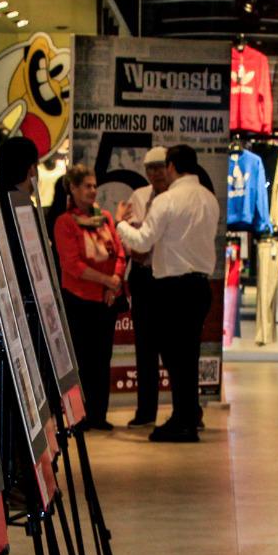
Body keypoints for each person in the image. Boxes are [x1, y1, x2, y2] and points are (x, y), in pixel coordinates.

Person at [115, 144, 218, 443]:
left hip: (172, 289)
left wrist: (120, 222)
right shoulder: (209, 199)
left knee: (176, 358)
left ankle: (182, 421)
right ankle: (187, 415)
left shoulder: (168, 200)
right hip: (200, 286)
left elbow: (143, 241)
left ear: (171, 166)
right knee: (188, 356)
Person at [53, 165, 128, 430]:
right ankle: (78, 417)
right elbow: (72, 265)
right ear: (72, 189)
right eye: (87, 185)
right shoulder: (65, 223)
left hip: (104, 301)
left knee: (101, 359)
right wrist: (106, 280)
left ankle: (98, 415)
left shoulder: (105, 217)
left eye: (94, 185)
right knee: (80, 361)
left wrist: (114, 282)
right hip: (78, 300)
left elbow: (119, 252)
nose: (93, 190)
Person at [124, 147, 170, 427]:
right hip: (142, 276)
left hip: (168, 278)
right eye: (150, 168)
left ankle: (187, 410)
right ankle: (146, 411)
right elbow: (136, 244)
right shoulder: (139, 196)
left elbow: (146, 237)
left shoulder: (175, 198)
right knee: (145, 348)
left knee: (176, 348)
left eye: (160, 167)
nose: (155, 173)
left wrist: (144, 237)